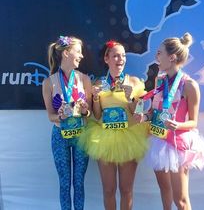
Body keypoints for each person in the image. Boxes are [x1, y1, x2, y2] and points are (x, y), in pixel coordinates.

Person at [136, 33, 204, 210]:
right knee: (164, 191)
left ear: (171, 57)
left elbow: (193, 122)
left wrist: (178, 125)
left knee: (181, 200)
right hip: (159, 141)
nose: (156, 57)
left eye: (159, 53)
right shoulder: (159, 80)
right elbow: (153, 111)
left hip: (177, 144)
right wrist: (144, 117)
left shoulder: (189, 85)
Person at [81, 40, 148, 210]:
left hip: (129, 138)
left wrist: (131, 97)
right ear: (106, 59)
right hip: (104, 140)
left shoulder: (133, 82)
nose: (121, 59)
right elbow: (96, 115)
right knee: (109, 190)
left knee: (126, 190)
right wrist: (95, 97)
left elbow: (139, 112)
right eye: (116, 55)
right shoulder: (98, 83)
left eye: (123, 55)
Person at [42, 35, 92, 210]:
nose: (82, 56)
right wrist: (61, 116)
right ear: (66, 54)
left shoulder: (84, 79)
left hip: (81, 135)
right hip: (60, 136)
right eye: (78, 52)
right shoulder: (49, 82)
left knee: (79, 183)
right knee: (64, 183)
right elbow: (51, 116)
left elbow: (89, 112)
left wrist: (85, 110)